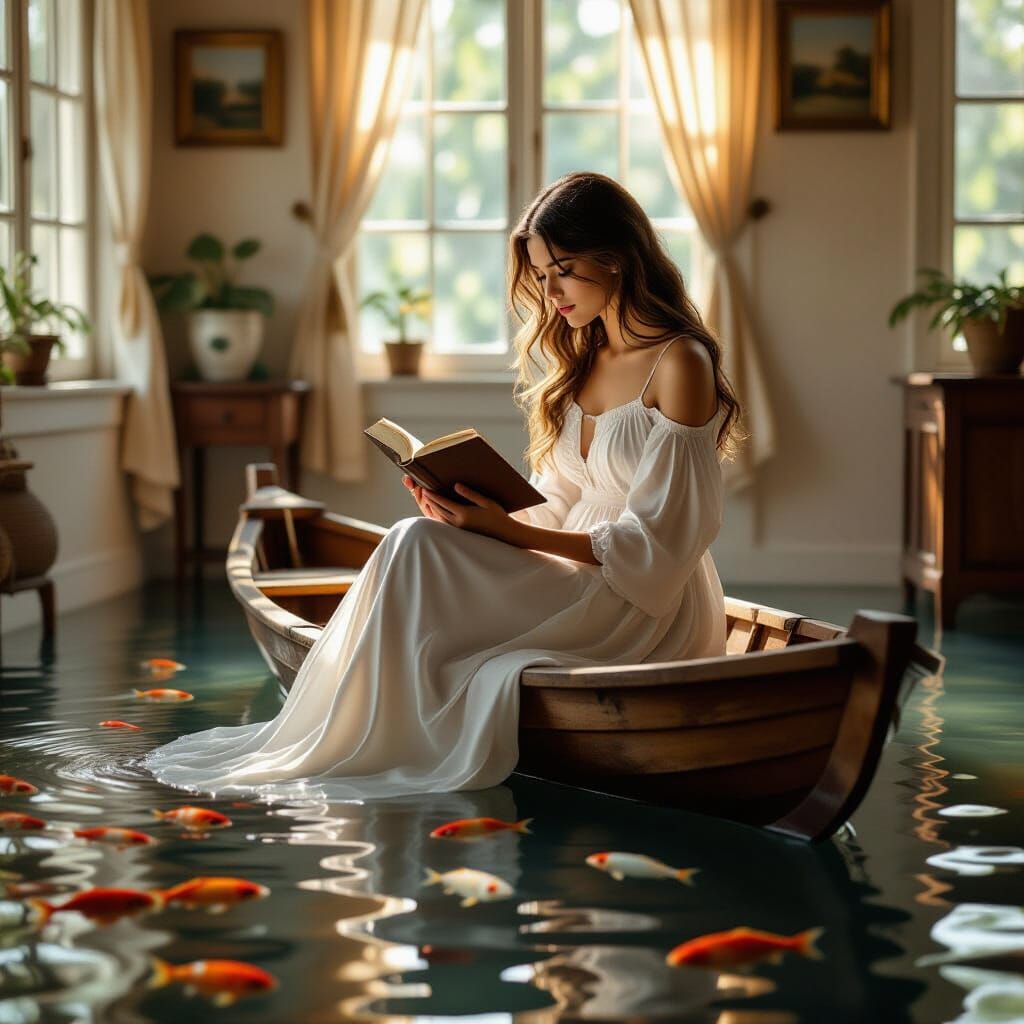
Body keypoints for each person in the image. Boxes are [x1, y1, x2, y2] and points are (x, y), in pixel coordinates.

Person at [145, 171, 744, 801]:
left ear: (617, 259)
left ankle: (378, 734)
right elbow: (557, 506)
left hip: (641, 602)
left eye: (563, 268)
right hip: (575, 575)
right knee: (419, 535)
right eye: (541, 274)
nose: (551, 291)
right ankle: (364, 729)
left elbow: (665, 543)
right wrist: (470, 512)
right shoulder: (584, 357)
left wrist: (503, 530)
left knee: (414, 547)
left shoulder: (679, 362)